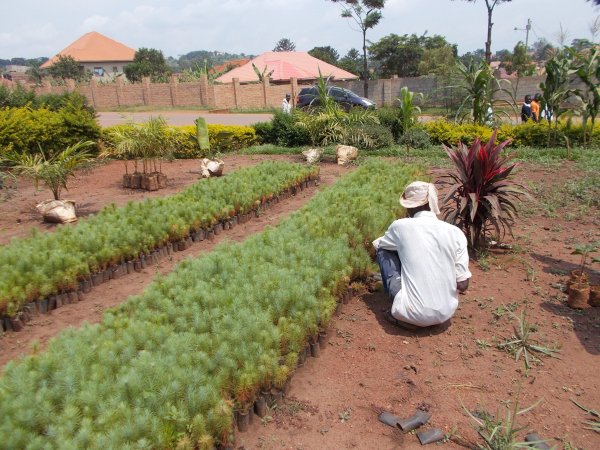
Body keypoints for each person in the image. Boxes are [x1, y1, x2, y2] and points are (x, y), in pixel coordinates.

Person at [373, 181, 471, 330]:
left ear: (409, 206)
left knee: (383, 249)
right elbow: (463, 285)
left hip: (408, 313)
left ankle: (400, 312)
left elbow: (381, 245)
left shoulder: (400, 226)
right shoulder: (455, 233)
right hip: (445, 314)